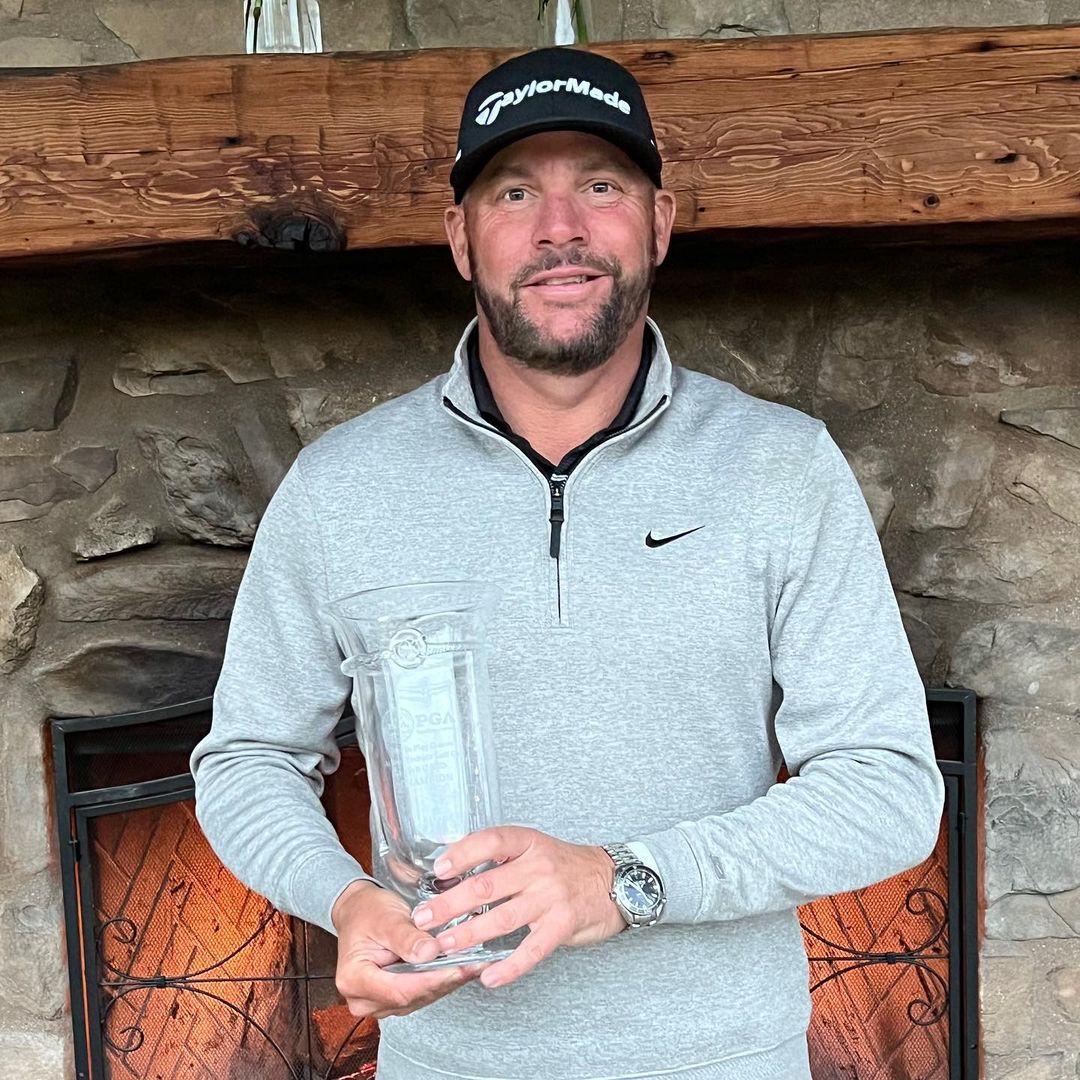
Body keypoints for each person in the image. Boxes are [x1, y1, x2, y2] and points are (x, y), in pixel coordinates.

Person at [191, 45, 946, 1080]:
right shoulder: (341, 487)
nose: (559, 228)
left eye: (600, 186)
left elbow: (886, 787)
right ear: (460, 238)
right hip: (450, 1066)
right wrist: (346, 897)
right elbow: (250, 759)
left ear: (659, 223)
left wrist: (622, 880)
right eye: (514, 192)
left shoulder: (781, 467)